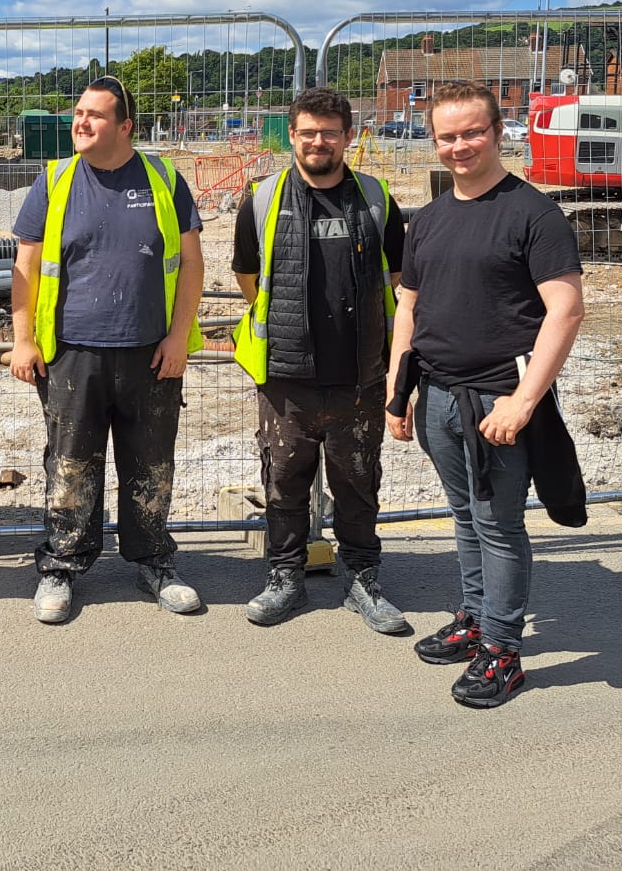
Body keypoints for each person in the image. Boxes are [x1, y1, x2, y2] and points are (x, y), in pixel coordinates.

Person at [386, 81, 585, 708]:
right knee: (466, 517)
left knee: (498, 526)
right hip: (439, 398)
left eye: (472, 132)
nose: (460, 146)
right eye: (447, 136)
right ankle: (475, 617)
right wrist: (398, 395)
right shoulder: (431, 219)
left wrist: (524, 401)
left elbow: (566, 310)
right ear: (434, 141)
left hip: (497, 404)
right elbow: (409, 309)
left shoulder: (534, 214)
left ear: (499, 133)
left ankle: (503, 649)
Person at [9, 75, 205, 624]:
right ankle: (62, 567)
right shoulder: (54, 181)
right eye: (78, 112)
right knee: (70, 467)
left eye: (95, 114)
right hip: (73, 353)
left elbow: (192, 263)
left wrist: (177, 338)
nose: (81, 122)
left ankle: (154, 562)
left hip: (150, 353)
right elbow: (24, 267)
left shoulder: (164, 179)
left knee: (151, 467)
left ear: (125, 126)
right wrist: (23, 340)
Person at [232, 86, 407, 630]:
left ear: (347, 137)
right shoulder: (263, 199)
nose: (318, 141)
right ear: (293, 135)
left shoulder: (377, 200)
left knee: (358, 483)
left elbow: (398, 283)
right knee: (282, 483)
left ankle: (362, 578)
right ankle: (284, 577)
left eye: (330, 132)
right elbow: (247, 277)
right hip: (285, 378)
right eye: (308, 131)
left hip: (359, 377)